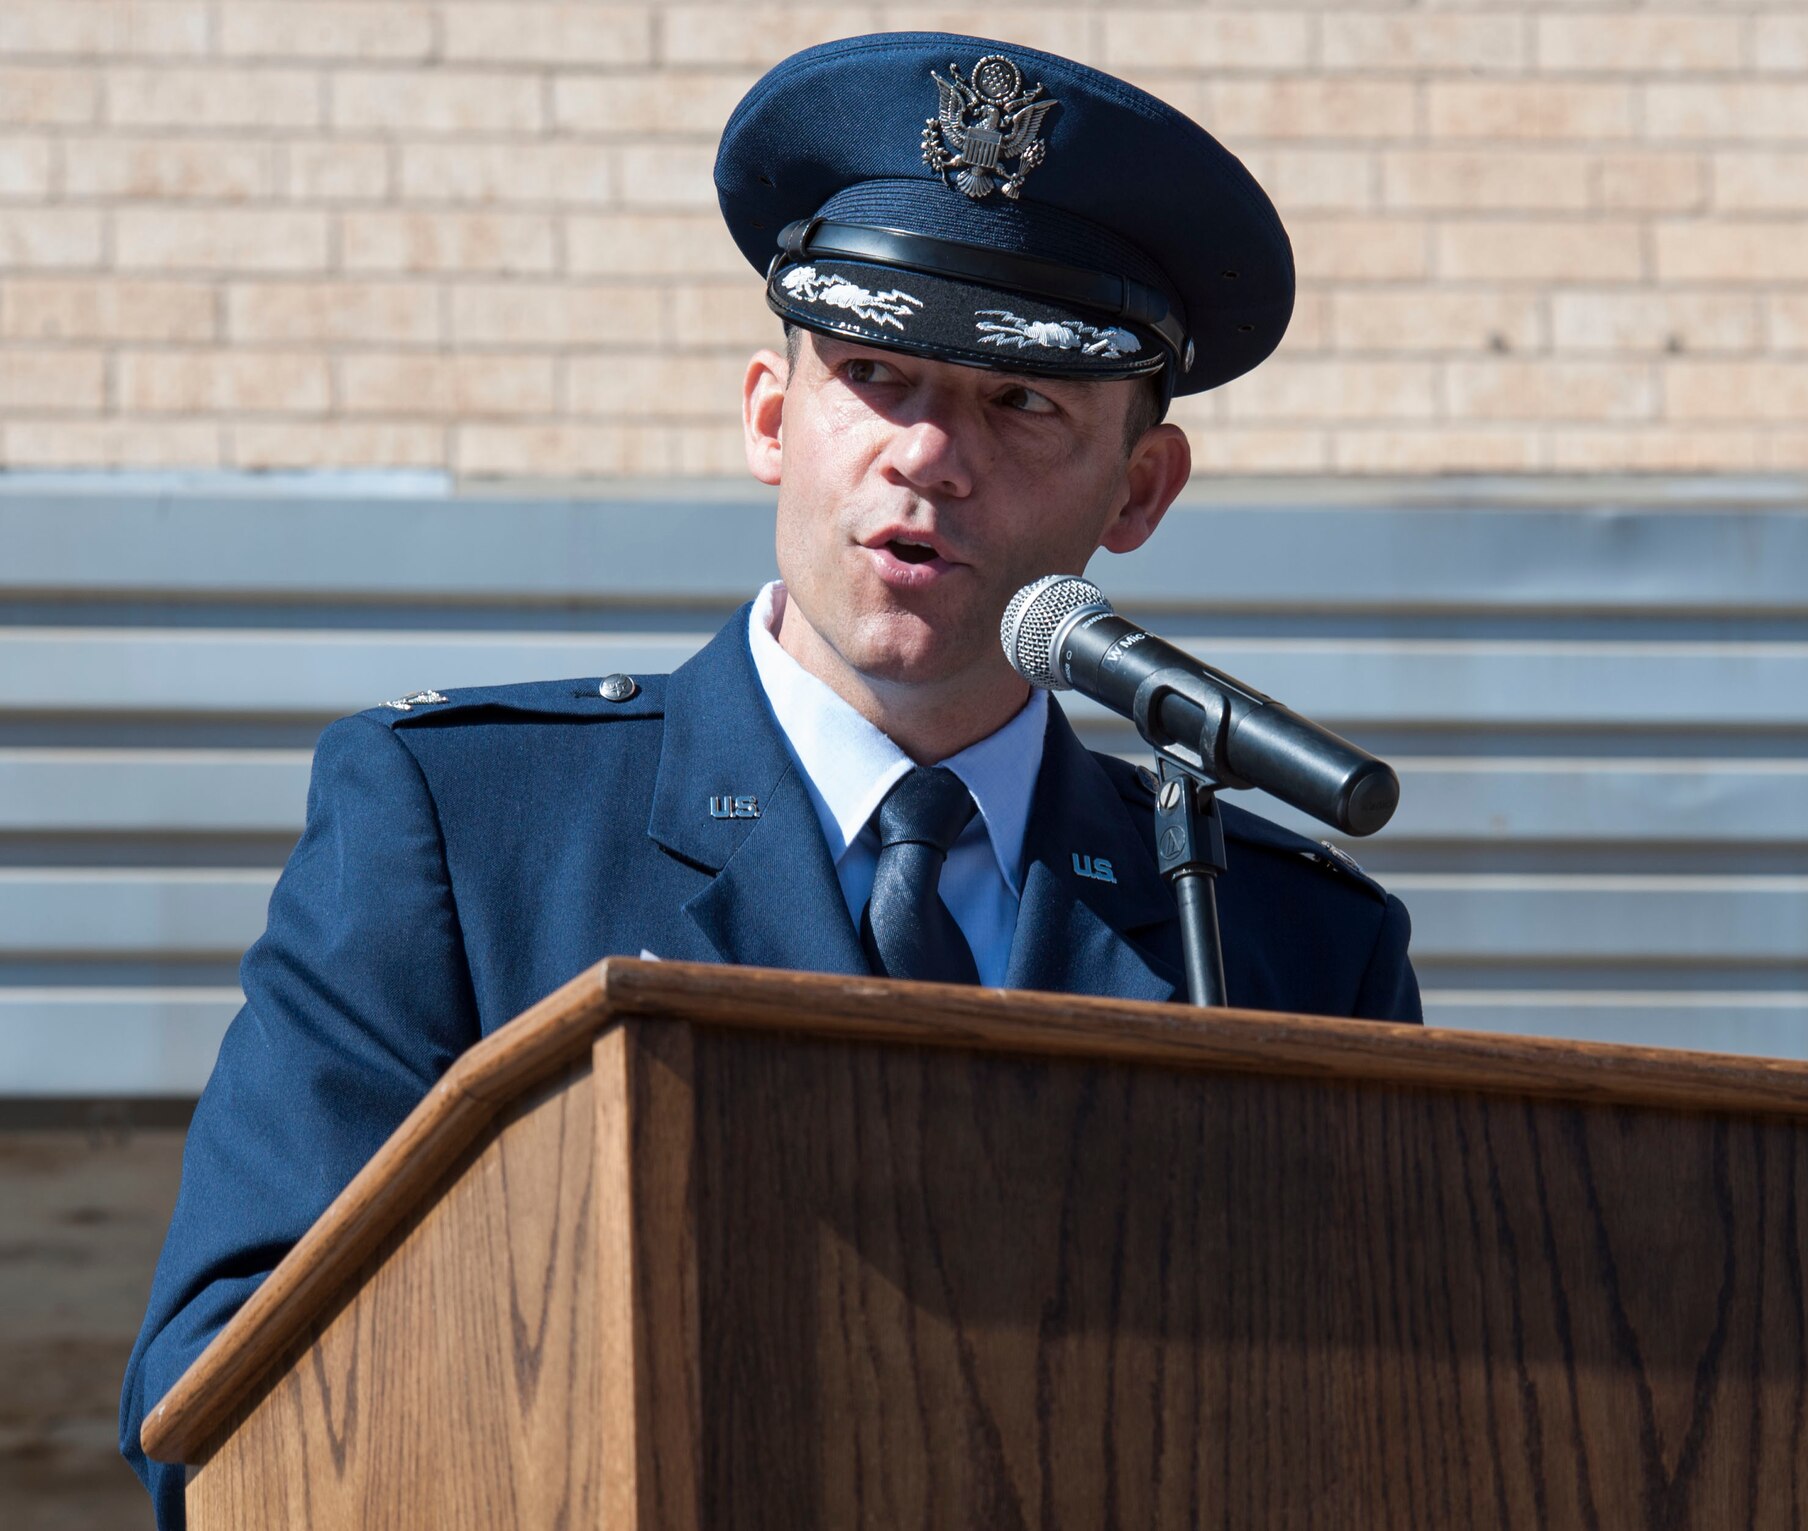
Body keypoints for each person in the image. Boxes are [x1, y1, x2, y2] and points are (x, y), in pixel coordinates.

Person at [120, 32, 1420, 1526]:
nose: (927, 458)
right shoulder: (468, 837)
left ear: (1140, 491)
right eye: (875, 377)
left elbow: (1384, 1436)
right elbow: (223, 1395)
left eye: (1023, 407)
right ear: (768, 417)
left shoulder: (1278, 941)